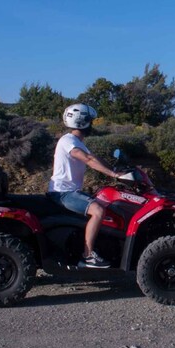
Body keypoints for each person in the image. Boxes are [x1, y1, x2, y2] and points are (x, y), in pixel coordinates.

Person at [47, 103, 123, 269]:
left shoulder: (76, 141)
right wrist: (113, 175)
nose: (93, 124)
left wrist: (116, 170)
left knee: (105, 203)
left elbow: (93, 157)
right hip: (63, 193)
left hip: (68, 191)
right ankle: (88, 256)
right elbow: (87, 159)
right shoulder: (68, 140)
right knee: (98, 211)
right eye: (91, 121)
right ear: (83, 122)